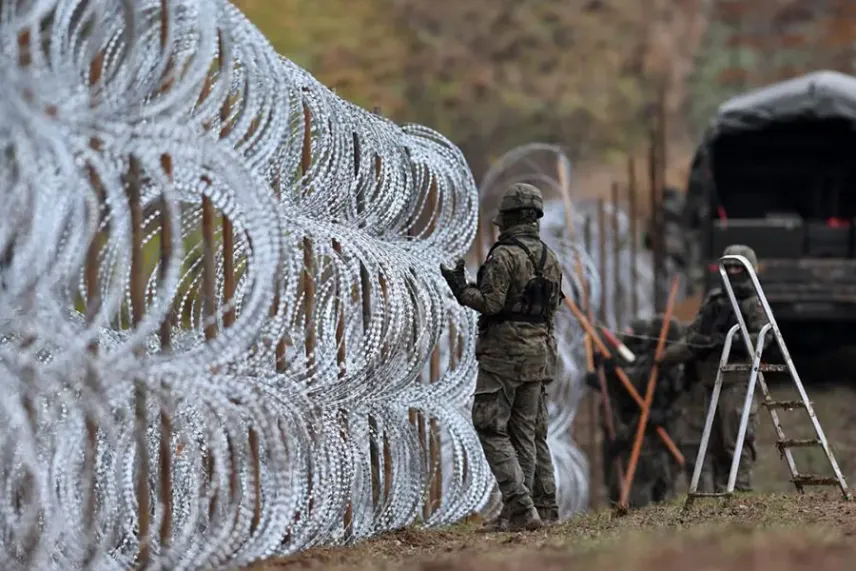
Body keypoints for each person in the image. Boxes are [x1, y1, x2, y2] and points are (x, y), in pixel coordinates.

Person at [441, 183, 563, 532]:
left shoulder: (505, 255)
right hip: (541, 351)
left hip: (505, 353)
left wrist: (461, 289)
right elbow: (553, 308)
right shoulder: (549, 258)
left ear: (509, 218)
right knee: (527, 432)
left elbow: (490, 303)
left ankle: (520, 508)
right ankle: (541, 508)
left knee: (490, 424)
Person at [659, 244, 767, 493]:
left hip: (738, 379)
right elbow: (694, 334)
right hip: (712, 379)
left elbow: (762, 338)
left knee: (736, 438)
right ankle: (722, 490)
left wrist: (729, 341)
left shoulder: (754, 303)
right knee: (715, 442)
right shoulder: (715, 300)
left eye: (738, 267)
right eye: (727, 267)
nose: (732, 272)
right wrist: (684, 348)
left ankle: (739, 489)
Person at [589, 315, 685, 508]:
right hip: (645, 436)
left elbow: (678, 399)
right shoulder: (648, 362)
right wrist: (611, 372)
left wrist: (661, 414)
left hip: (664, 437)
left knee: (661, 485)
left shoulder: (674, 365)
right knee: (640, 487)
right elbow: (631, 387)